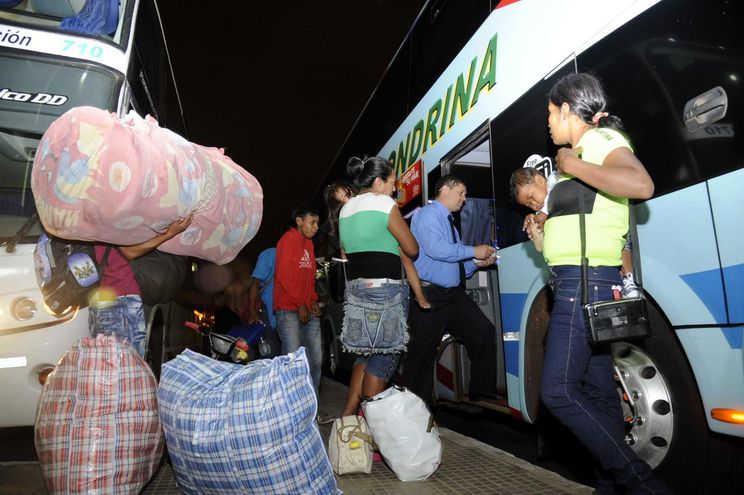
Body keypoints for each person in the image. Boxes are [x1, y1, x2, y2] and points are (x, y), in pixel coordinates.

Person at [538, 72, 669, 494]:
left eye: (550, 114)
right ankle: (607, 486)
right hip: (578, 280)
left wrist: (572, 163)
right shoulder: (582, 150)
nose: (548, 124)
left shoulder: (601, 141)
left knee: (557, 391)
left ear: (567, 109)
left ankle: (642, 486)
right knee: (598, 394)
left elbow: (640, 184)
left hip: (586, 282)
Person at [402, 174, 499, 408]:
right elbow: (437, 250)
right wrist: (473, 250)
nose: (464, 199)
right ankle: (415, 411)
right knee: (420, 357)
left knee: (484, 331)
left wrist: (477, 264)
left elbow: (457, 262)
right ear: (446, 189)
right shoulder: (426, 215)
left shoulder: (450, 223)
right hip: (430, 296)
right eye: (462, 193)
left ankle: (480, 390)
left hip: (453, 296)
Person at [337, 156, 420, 418]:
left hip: (357, 290)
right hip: (386, 291)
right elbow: (412, 249)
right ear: (377, 181)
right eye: (392, 181)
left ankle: (348, 421)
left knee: (364, 356)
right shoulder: (384, 203)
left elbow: (345, 250)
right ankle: (374, 425)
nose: (395, 187)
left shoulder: (346, 209)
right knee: (384, 357)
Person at [510, 166, 640, 297]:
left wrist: (543, 214)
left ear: (539, 180)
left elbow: (553, 197)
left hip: (608, 226)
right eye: (528, 205)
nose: (533, 204)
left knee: (624, 246)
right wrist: (534, 225)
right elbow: (541, 243)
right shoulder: (542, 208)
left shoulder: (555, 179)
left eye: (531, 197)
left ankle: (628, 280)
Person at [89, 215, 193, 357]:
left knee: (111, 360)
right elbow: (128, 252)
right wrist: (170, 233)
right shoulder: (105, 226)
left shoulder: (90, 229)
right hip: (122, 300)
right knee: (127, 362)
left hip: (106, 301)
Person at [273, 204, 326, 404]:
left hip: (305, 307)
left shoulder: (309, 245)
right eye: (312, 222)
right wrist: (299, 303)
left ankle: (312, 409)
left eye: (317, 223)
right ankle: (288, 408)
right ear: (299, 221)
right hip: (288, 310)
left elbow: (309, 277)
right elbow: (285, 277)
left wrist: (312, 300)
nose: (315, 227)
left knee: (315, 360)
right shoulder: (287, 240)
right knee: (292, 361)